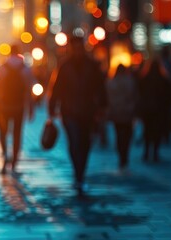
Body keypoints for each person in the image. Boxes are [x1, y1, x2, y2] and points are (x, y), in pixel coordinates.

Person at [47, 36, 107, 195]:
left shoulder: (92, 66)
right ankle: (78, 174)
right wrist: (52, 108)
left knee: (85, 144)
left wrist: (102, 106)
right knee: (74, 142)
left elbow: (100, 87)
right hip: (69, 112)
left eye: (80, 47)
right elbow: (56, 88)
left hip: (88, 111)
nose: (78, 50)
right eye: (75, 47)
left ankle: (81, 175)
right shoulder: (64, 66)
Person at [0, 44, 33, 174]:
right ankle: (15, 161)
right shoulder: (25, 68)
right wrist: (30, 108)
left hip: (4, 107)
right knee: (17, 133)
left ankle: (5, 155)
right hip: (19, 107)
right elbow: (29, 90)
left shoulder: (1, 68)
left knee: (3, 132)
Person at [137, 58, 171, 162]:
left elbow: (139, 93)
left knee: (147, 131)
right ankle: (155, 153)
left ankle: (146, 152)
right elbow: (170, 94)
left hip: (147, 110)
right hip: (159, 110)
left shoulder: (144, 79)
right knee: (157, 132)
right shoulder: (163, 79)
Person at [106, 64, 138, 170]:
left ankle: (121, 155)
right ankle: (125, 155)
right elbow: (134, 96)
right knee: (127, 135)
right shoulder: (130, 82)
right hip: (127, 112)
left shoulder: (111, 82)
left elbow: (108, 97)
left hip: (116, 113)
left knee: (119, 135)